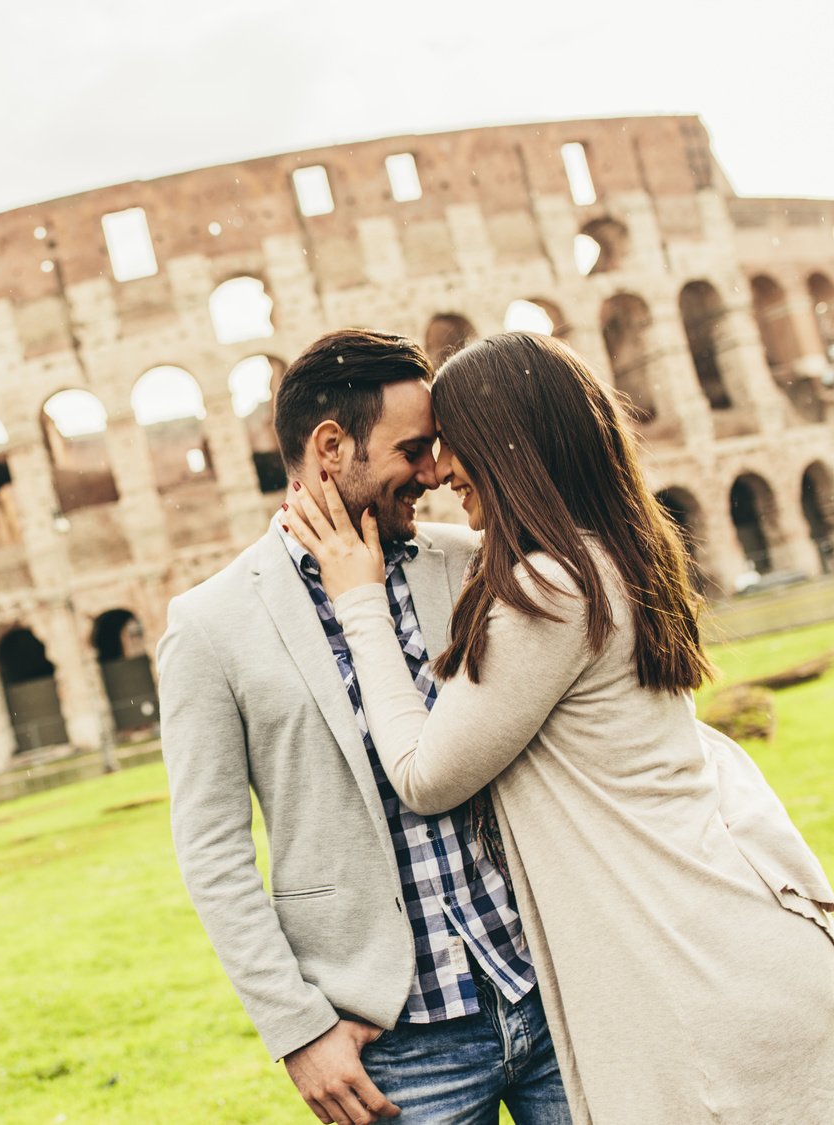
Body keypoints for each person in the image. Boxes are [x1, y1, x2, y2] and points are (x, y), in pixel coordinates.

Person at [287, 331, 834, 1124]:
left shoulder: (550, 585)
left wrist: (359, 598)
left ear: (508, 446)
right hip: (727, 950)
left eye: (450, 446)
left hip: (698, 978)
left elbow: (425, 774)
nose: (435, 473)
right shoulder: (612, 552)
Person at [159, 329, 567, 1125]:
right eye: (412, 450)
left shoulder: (468, 560)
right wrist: (298, 1029)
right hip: (398, 1044)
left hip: (550, 984)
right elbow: (212, 851)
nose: (434, 475)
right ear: (331, 446)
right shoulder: (210, 624)